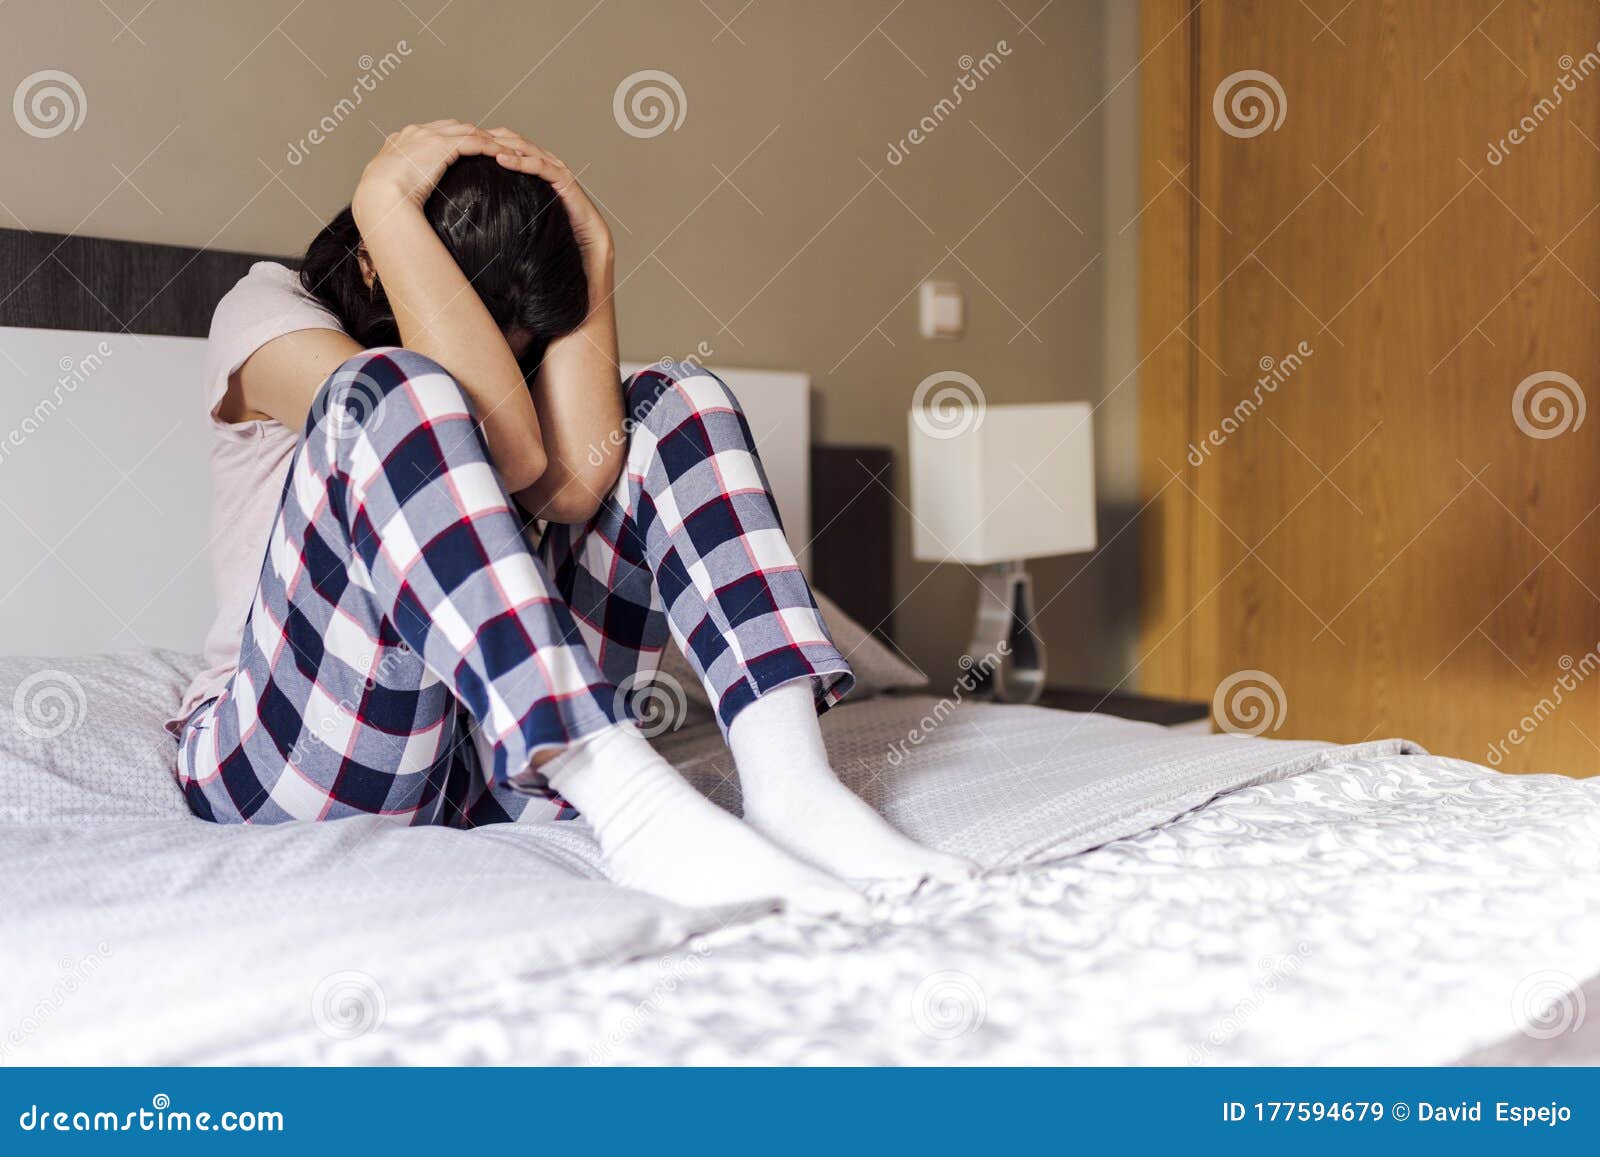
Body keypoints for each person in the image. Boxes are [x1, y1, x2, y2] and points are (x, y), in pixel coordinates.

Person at [169, 120, 971, 911]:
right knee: (389, 389)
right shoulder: (266, 308)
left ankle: (793, 788)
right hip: (312, 758)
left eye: (522, 351)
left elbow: (575, 487)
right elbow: (503, 452)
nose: (510, 368)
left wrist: (596, 258)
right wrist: (384, 200)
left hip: (505, 771)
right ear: (379, 264)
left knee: (672, 399)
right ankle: (628, 799)